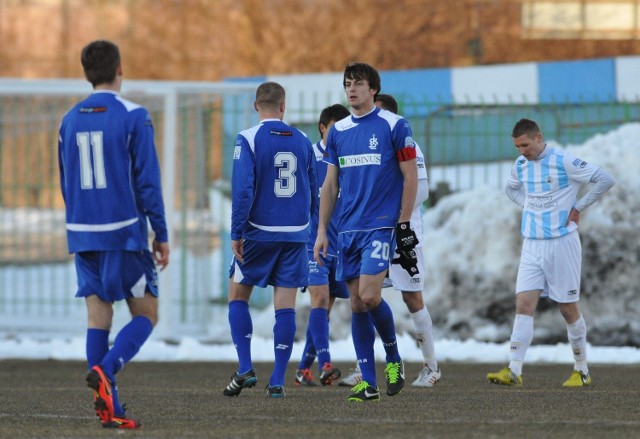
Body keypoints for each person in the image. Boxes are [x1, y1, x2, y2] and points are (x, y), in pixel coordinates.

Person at [57, 40, 169, 429]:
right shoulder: (133, 115)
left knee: (97, 317)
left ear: (86, 72)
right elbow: (148, 182)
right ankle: (106, 371)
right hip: (123, 232)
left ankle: (110, 407)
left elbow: (64, 179)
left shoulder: (68, 119)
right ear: (119, 67)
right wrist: (161, 232)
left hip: (83, 233)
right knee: (147, 313)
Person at [314, 63, 419, 402]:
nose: (351, 90)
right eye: (347, 84)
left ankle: (393, 357)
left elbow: (410, 176)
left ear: (373, 88)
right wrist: (321, 232)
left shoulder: (394, 125)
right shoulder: (339, 131)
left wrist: (402, 222)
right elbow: (330, 186)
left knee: (371, 296)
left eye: (358, 84)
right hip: (348, 229)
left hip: (380, 225)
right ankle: (369, 383)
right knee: (357, 304)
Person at [487, 118, 615, 387]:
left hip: (561, 244)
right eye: (517, 146)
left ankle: (582, 370)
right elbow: (510, 189)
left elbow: (605, 179)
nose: (522, 151)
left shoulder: (563, 161)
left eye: (525, 144)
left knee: (567, 308)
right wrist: (530, 206)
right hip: (531, 244)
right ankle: (514, 370)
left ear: (538, 137)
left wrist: (578, 206)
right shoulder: (521, 165)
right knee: (523, 304)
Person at [339, 94, 441, 388]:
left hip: (401, 233)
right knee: (363, 298)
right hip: (368, 231)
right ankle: (367, 367)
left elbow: (420, 187)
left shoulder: (405, 141)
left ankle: (431, 366)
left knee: (412, 297)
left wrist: (396, 215)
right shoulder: (358, 141)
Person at [223, 81, 317, 399]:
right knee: (285, 307)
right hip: (295, 233)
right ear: (283, 106)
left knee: (238, 296)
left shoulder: (247, 139)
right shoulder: (304, 141)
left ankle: (246, 366)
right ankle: (277, 379)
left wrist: (236, 232)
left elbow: (243, 190)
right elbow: (314, 191)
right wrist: (312, 233)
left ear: (255, 106)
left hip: (257, 232)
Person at [294, 104, 351, 387]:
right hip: (310, 241)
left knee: (325, 306)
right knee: (318, 299)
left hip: (339, 242)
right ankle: (325, 364)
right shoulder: (307, 157)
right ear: (323, 128)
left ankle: (303, 368)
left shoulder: (346, 159)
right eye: (336, 129)